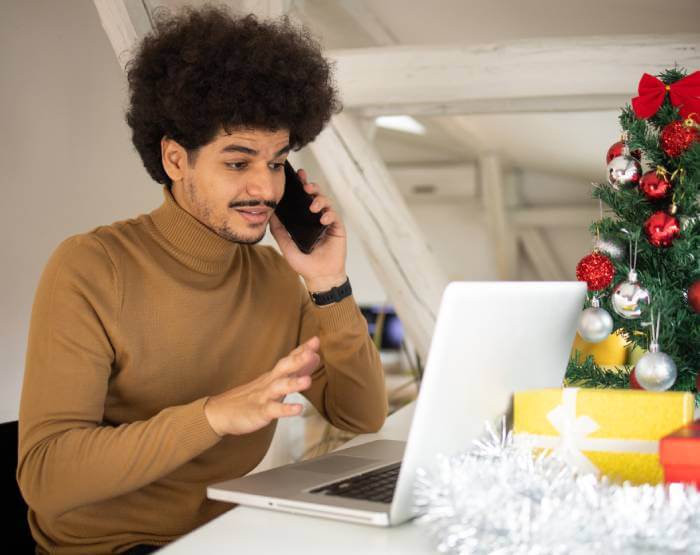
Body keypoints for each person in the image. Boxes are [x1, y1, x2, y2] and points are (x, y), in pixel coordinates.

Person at [16, 6, 387, 554]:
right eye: (238, 163)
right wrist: (213, 415)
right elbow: (46, 478)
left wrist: (330, 285)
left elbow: (361, 414)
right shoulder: (92, 266)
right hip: (110, 546)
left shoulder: (279, 277)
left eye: (278, 162)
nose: (266, 188)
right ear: (174, 159)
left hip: (228, 536)